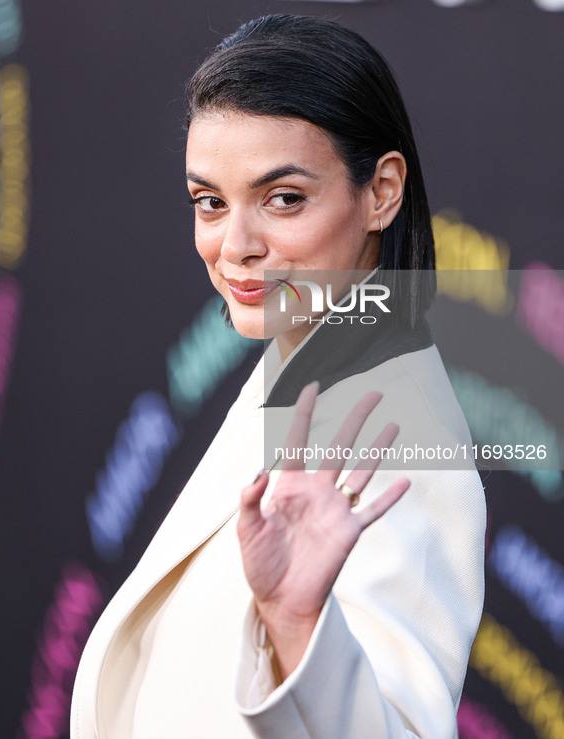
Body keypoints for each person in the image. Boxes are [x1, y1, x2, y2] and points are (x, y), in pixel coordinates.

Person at [71, 14, 485, 738]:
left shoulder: (395, 432)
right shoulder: (301, 367)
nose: (234, 246)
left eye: (283, 198)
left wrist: (298, 633)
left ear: (381, 191)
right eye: (210, 202)